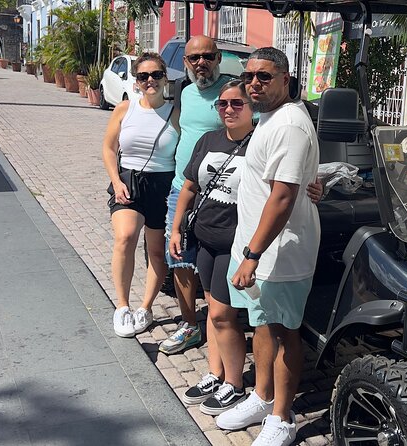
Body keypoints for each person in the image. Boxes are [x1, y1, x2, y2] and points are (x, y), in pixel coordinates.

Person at [168, 81, 323, 416]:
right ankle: (217, 373)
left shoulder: (270, 130)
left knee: (232, 315)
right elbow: (190, 185)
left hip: (240, 243)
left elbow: (288, 183)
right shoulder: (211, 139)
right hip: (211, 237)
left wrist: (315, 185)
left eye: (236, 104)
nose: (228, 109)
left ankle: (237, 384)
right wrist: (177, 226)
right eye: (222, 104)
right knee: (216, 311)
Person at [216, 48, 320, 446]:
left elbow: (282, 197)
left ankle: (282, 416)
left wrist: (252, 256)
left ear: (285, 79)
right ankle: (262, 395)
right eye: (249, 77)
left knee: (284, 332)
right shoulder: (269, 118)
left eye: (264, 76)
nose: (254, 83)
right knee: (261, 324)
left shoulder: (289, 123)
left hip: (280, 254)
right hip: (259, 250)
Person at [159, 35, 235, 355]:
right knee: (179, 257)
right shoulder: (186, 93)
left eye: (208, 56)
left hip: (220, 193)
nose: (201, 62)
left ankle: (221, 322)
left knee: (216, 259)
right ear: (186, 63)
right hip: (182, 187)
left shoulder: (234, 94)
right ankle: (190, 325)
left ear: (218, 58)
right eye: (194, 58)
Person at [102, 52, 179, 338]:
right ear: (136, 81)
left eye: (156, 75)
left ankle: (145, 308)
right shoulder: (125, 108)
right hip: (129, 181)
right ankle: (122, 306)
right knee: (125, 237)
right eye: (143, 76)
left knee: (156, 251)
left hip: (163, 186)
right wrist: (115, 180)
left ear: (165, 79)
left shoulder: (175, 113)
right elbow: (109, 148)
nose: (150, 81)